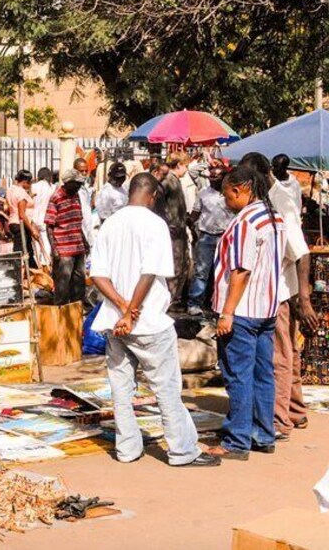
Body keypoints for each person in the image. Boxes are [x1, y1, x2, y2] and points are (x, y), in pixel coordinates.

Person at [90, 173, 219, 467]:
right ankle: (182, 451)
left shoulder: (111, 223)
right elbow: (149, 272)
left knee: (122, 390)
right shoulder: (154, 224)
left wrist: (122, 308)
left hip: (116, 321)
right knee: (166, 388)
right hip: (145, 321)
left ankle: (127, 449)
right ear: (151, 196)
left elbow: (98, 274)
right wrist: (131, 309)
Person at [206, 165, 286, 461]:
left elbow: (241, 270)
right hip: (266, 309)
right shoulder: (274, 217)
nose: (226, 201)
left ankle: (237, 440)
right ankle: (263, 434)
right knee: (262, 373)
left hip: (243, 310)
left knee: (238, 375)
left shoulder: (245, 222)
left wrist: (227, 312)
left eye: (227, 195)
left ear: (239, 190)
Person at [241, 152, 318, 441]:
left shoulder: (280, 203)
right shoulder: (269, 200)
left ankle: (278, 419)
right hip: (282, 289)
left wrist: (305, 300)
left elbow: (302, 253)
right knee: (289, 353)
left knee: (279, 356)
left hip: (282, 292)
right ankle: (295, 410)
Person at [186, 166, 233, 315]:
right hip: (206, 236)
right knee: (201, 272)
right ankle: (194, 303)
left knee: (224, 272)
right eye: (210, 177)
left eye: (216, 177)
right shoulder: (203, 193)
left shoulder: (231, 194)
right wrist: (189, 225)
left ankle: (219, 303)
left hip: (226, 237)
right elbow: (195, 213)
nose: (212, 180)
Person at [46, 169, 88, 305]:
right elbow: (49, 226)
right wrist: (54, 249)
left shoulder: (76, 196)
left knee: (79, 281)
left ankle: (77, 310)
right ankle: (60, 311)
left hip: (77, 246)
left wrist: (84, 241)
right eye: (76, 184)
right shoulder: (56, 197)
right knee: (63, 282)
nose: (79, 186)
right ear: (68, 183)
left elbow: (77, 221)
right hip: (63, 249)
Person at [152, 156, 189, 306]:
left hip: (179, 228)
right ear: (180, 164)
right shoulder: (167, 181)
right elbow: (157, 205)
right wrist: (166, 225)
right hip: (172, 230)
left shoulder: (174, 180)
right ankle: (168, 302)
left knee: (182, 265)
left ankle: (173, 299)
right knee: (174, 267)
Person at [6, 169, 41, 267]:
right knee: (19, 251)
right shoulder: (21, 193)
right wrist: (32, 230)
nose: (30, 185)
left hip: (13, 222)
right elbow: (22, 214)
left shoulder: (11, 189)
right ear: (25, 182)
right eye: (30, 183)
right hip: (20, 224)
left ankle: (33, 269)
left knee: (28, 249)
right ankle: (16, 272)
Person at [31, 168, 57, 261]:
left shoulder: (33, 186)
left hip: (33, 218)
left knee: (35, 242)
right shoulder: (53, 187)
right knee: (46, 241)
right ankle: (46, 262)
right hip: (46, 218)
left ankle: (37, 262)